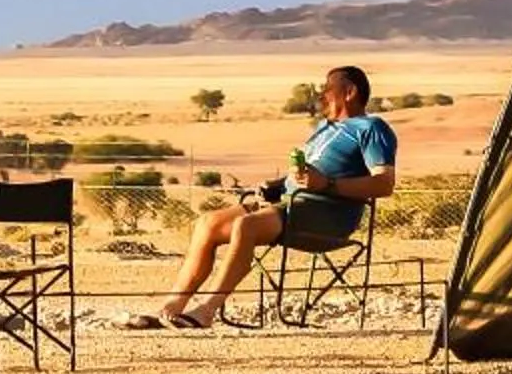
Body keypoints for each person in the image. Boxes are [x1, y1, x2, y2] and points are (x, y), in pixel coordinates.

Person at [122, 65, 396, 331]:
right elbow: (305, 175)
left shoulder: (371, 128)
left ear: (349, 92)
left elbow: (384, 184)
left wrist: (328, 185)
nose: (321, 95)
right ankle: (173, 305)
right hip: (291, 204)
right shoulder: (324, 128)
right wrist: (275, 186)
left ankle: (207, 310)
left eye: (327, 89)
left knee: (247, 226)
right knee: (209, 223)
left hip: (328, 215)